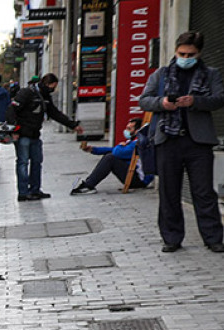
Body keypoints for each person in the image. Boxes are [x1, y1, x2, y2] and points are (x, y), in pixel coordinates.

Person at [139, 31, 224, 253]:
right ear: (175, 51)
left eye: (191, 54)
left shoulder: (210, 74)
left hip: (198, 142)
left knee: (204, 191)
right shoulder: (162, 74)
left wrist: (195, 101)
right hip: (168, 139)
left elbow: (219, 99)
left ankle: (213, 237)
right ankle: (171, 238)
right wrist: (163, 103)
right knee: (169, 191)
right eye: (181, 53)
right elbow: (144, 100)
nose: (186, 57)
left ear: (199, 53)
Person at [6, 73, 84, 201]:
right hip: (22, 134)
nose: (53, 89)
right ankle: (23, 192)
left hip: (35, 134)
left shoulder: (45, 97)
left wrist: (73, 125)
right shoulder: (26, 93)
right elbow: (11, 109)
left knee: (37, 162)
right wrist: (14, 129)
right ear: (47, 84)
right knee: (23, 162)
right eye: (52, 86)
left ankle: (35, 190)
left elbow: (54, 113)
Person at [70, 118, 155, 195]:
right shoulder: (133, 141)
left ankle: (88, 185)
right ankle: (89, 183)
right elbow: (113, 149)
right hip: (133, 174)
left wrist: (120, 146)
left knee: (110, 158)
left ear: (137, 131)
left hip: (139, 180)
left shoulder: (137, 143)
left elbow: (117, 152)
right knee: (109, 156)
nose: (126, 131)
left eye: (129, 129)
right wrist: (93, 149)